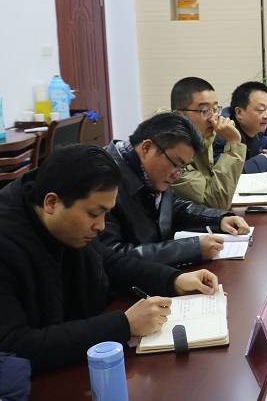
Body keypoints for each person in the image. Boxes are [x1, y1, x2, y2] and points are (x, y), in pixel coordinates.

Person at [0, 144, 219, 374]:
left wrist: (174, 279)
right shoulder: (7, 243)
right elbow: (14, 347)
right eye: (94, 214)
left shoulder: (68, 217)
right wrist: (123, 325)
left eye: (106, 213)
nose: (101, 226)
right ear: (52, 203)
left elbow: (108, 262)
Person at [100, 113, 250, 267]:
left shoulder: (149, 172)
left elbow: (173, 208)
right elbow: (112, 257)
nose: (177, 175)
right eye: (176, 164)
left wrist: (218, 220)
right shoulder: (102, 181)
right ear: (147, 148)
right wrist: (190, 249)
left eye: (183, 168)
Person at [169, 76, 246, 210]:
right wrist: (234, 144)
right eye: (204, 110)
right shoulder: (169, 151)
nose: (213, 118)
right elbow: (216, 202)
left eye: (215, 109)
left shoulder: (202, 136)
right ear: (179, 116)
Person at [214, 81, 267, 173]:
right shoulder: (224, 133)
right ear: (239, 112)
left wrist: (266, 157)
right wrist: (262, 162)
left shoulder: (255, 130)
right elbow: (223, 173)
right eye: (261, 110)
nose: (266, 116)